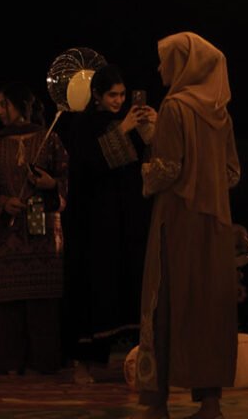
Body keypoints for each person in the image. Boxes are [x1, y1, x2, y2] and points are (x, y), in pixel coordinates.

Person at [136, 32, 241, 419]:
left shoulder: (175, 106)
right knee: (208, 307)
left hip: (177, 220)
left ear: (183, 64)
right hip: (215, 224)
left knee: (164, 301)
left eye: (165, 60)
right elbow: (232, 173)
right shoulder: (220, 113)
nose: (159, 67)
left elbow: (168, 168)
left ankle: (157, 403)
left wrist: (147, 169)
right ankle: (210, 402)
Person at [62, 62, 156, 371]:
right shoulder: (83, 125)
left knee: (129, 279)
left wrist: (150, 128)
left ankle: (138, 355)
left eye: (122, 95)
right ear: (97, 95)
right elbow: (91, 164)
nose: (119, 101)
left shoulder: (126, 120)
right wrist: (123, 130)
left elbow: (143, 160)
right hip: (96, 221)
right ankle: (87, 358)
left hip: (127, 218)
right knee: (98, 282)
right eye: (112, 95)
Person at [0, 80, 69, 375]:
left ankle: (43, 363)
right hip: (7, 236)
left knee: (42, 301)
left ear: (20, 105)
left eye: (3, 104)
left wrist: (50, 184)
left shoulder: (50, 140)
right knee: (6, 302)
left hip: (43, 234)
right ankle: (6, 363)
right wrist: (3, 202)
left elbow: (66, 180)